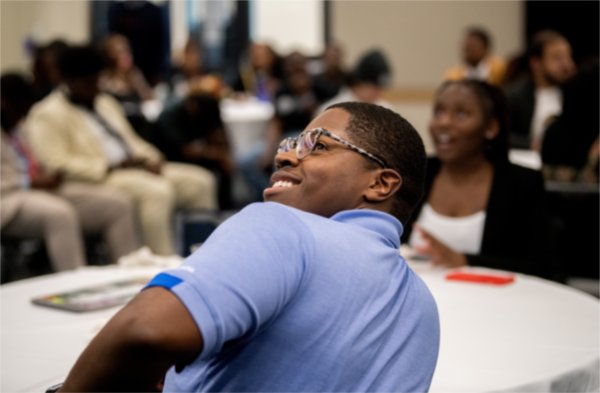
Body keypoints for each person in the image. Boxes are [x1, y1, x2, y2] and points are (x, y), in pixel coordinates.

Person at [57, 102, 440, 392]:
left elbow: (143, 331)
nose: (284, 154)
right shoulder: (423, 309)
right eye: (293, 143)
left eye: (317, 146)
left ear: (380, 184)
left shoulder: (282, 227)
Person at [26, 44, 217, 256]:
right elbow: (55, 163)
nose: (96, 87)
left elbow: (131, 140)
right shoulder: (47, 113)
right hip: (99, 176)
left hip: (134, 167)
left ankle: (204, 257)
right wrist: (110, 166)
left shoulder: (104, 102)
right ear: (69, 81)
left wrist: (150, 158)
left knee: (201, 182)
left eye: (97, 79)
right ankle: (163, 268)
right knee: (157, 192)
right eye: (89, 82)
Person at [402, 80, 550, 278]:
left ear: (491, 128)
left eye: (461, 114)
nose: (444, 122)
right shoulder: (416, 172)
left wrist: (465, 261)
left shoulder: (522, 184)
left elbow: (543, 268)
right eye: (438, 112)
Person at [1, 72, 139, 271]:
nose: (20, 116)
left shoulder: (19, 127)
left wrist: (50, 174)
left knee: (117, 204)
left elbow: (40, 159)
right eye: (16, 109)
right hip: (9, 197)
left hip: (39, 189)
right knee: (60, 215)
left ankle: (130, 275)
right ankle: (76, 282)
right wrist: (29, 182)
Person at [155, 77, 235, 209]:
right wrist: (215, 154)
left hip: (198, 153)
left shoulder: (209, 106)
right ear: (191, 104)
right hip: (170, 157)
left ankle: (225, 208)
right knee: (211, 170)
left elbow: (220, 135)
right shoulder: (169, 116)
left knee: (223, 165)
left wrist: (223, 152)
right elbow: (184, 150)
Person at [506, 30, 576, 150]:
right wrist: (532, 144)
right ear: (536, 63)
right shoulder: (515, 96)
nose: (567, 65)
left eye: (568, 56)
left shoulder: (577, 93)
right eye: (557, 58)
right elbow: (503, 135)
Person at [315, 49, 394, 114]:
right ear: (359, 82)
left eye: (381, 88)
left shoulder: (386, 109)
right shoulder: (331, 110)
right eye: (375, 87)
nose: (379, 92)